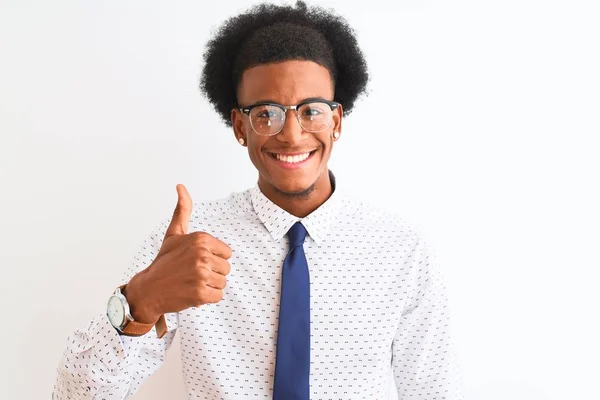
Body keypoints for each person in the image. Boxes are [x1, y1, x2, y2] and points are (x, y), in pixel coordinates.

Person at [53, 1, 464, 399]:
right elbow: (75, 397)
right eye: (267, 113)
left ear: (336, 121)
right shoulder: (187, 243)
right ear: (239, 126)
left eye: (312, 111)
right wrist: (138, 301)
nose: (291, 134)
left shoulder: (403, 253)